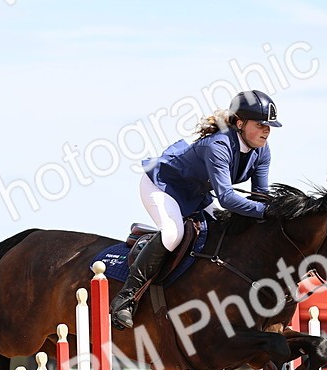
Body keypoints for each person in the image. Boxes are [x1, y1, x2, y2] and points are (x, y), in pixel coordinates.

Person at [110, 89, 282, 330]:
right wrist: (265, 212)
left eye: (269, 126)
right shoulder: (219, 145)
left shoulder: (262, 151)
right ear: (240, 123)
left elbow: (260, 196)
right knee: (173, 234)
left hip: (196, 193)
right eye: (260, 124)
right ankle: (125, 299)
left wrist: (276, 212)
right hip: (163, 185)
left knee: (222, 232)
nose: (266, 130)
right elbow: (227, 198)